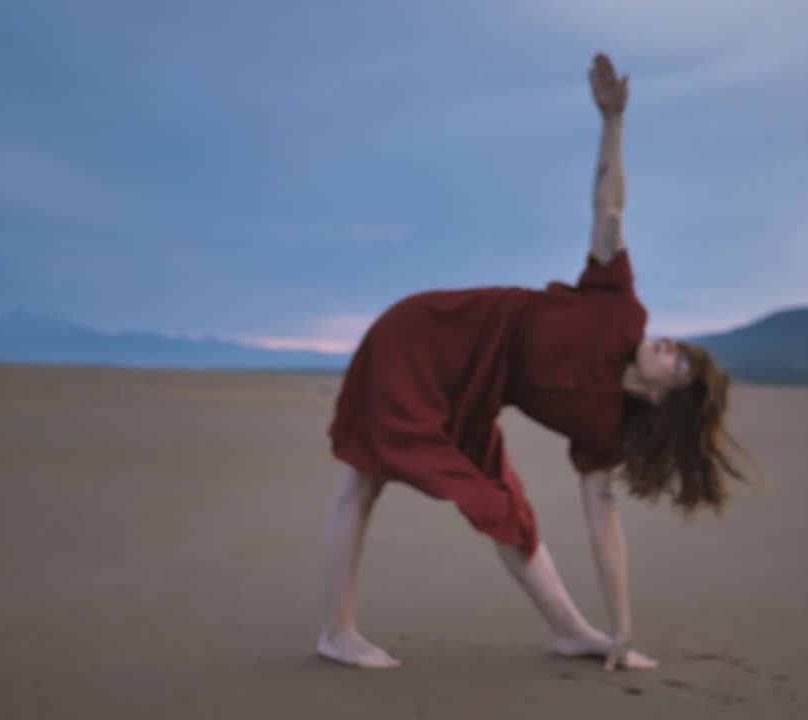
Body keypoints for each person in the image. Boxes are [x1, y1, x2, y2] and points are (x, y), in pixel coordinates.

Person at [318, 53, 748, 671]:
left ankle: (575, 632)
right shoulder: (620, 307)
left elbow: (604, 522)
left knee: (506, 510)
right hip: (425, 338)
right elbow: (610, 208)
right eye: (681, 348)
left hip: (475, 391)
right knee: (366, 473)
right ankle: (337, 632)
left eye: (680, 367)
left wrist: (622, 628)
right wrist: (613, 120)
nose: (671, 348)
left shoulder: (604, 428)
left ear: (662, 399)